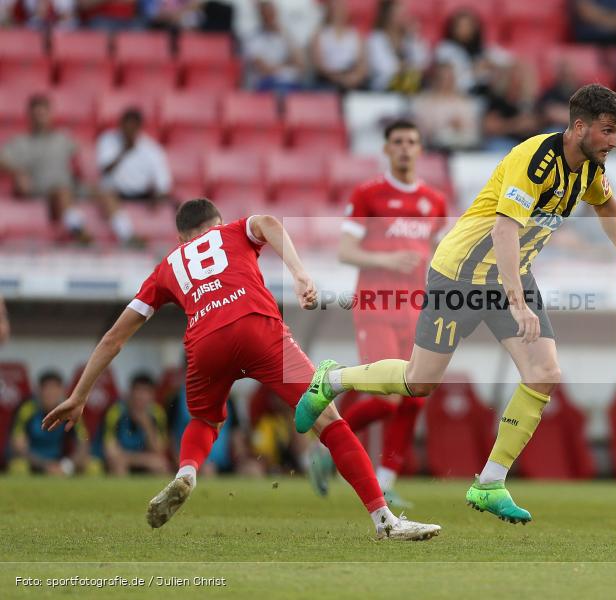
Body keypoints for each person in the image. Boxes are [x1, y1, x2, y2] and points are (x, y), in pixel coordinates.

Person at [294, 84, 616, 524]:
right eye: (607, 130)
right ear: (579, 127)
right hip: (460, 274)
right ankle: (331, 379)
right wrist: (518, 302)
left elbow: (607, 206)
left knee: (544, 372)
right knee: (419, 381)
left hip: (508, 275)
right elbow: (504, 231)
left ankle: (489, 483)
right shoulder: (535, 160)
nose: (614, 141)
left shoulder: (589, 169)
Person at [42, 198, 440, 540]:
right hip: (257, 327)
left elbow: (114, 336)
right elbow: (267, 223)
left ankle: (187, 472)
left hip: (204, 342)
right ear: (215, 224)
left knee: (203, 418)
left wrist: (78, 395)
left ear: (181, 238)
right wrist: (300, 274)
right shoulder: (232, 230)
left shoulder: (167, 266)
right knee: (327, 416)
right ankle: (383, 519)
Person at [309, 120, 447, 507]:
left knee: (416, 395)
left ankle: (386, 481)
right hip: (376, 305)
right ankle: (326, 442)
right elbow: (345, 252)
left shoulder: (434, 201)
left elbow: (436, 255)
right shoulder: (369, 194)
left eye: (412, 142)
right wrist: (387, 257)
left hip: (416, 309)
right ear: (387, 149)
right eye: (398, 142)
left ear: (420, 150)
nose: (405, 148)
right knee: (387, 397)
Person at [0, 94, 85, 240]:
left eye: (43, 113)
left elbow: (84, 156)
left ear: (51, 114)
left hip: (71, 186)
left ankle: (126, 234)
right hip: (41, 188)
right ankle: (79, 232)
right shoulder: (20, 142)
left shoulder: (63, 137)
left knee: (105, 193)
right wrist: (17, 173)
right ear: (29, 116)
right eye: (36, 114)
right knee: (61, 192)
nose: (40, 118)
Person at [95, 108, 172, 245]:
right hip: (116, 191)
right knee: (105, 195)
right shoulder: (108, 140)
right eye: (126, 126)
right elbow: (104, 170)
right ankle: (127, 236)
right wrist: (123, 152)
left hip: (141, 193)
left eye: (133, 126)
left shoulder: (152, 149)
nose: (129, 130)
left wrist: (157, 196)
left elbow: (163, 183)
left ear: (139, 128)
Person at [9, 371, 89, 475]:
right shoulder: (27, 409)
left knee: (91, 466)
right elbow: (18, 446)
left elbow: (83, 443)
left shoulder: (71, 411)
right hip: (33, 462)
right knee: (19, 467)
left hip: (60, 462)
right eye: (47, 389)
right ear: (39, 391)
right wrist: (45, 466)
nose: (51, 394)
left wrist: (67, 465)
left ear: (62, 391)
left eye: (55, 389)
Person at [103, 373, 169, 476]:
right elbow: (110, 451)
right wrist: (139, 459)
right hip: (123, 460)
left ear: (152, 395)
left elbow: (159, 450)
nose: (140, 396)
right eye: (137, 391)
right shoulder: (116, 412)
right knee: (118, 464)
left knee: (161, 465)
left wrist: (147, 425)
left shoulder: (157, 414)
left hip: (143, 460)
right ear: (130, 392)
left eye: (145, 392)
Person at [243, 0, 310, 94]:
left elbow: (301, 64)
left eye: (272, 14)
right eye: (267, 14)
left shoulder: (285, 35)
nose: (270, 17)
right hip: (265, 85)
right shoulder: (253, 38)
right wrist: (288, 65)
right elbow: (264, 69)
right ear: (261, 15)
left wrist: (285, 35)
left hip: (289, 83)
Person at [412, 61, 481, 151]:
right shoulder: (423, 102)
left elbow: (474, 132)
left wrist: (460, 126)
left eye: (450, 78)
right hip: (432, 149)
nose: (446, 82)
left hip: (463, 148)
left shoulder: (465, 102)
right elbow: (420, 129)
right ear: (435, 79)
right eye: (443, 78)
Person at [366, 0, 429, 93]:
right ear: (387, 16)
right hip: (384, 87)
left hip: (410, 85)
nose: (402, 18)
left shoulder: (409, 38)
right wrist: (408, 67)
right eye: (397, 14)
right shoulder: (376, 38)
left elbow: (423, 62)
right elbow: (385, 68)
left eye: (404, 14)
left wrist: (413, 37)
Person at [482, 61, 542, 152]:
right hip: (504, 142)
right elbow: (489, 127)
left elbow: (535, 123)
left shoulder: (530, 102)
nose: (518, 83)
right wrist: (515, 125)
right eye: (514, 79)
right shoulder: (498, 101)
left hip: (529, 143)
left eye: (521, 79)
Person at [311, 0, 367, 91]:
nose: (339, 12)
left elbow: (362, 63)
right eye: (336, 8)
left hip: (351, 77)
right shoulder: (321, 35)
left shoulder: (355, 35)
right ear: (329, 10)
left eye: (341, 8)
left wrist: (354, 77)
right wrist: (338, 78)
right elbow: (319, 65)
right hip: (328, 79)